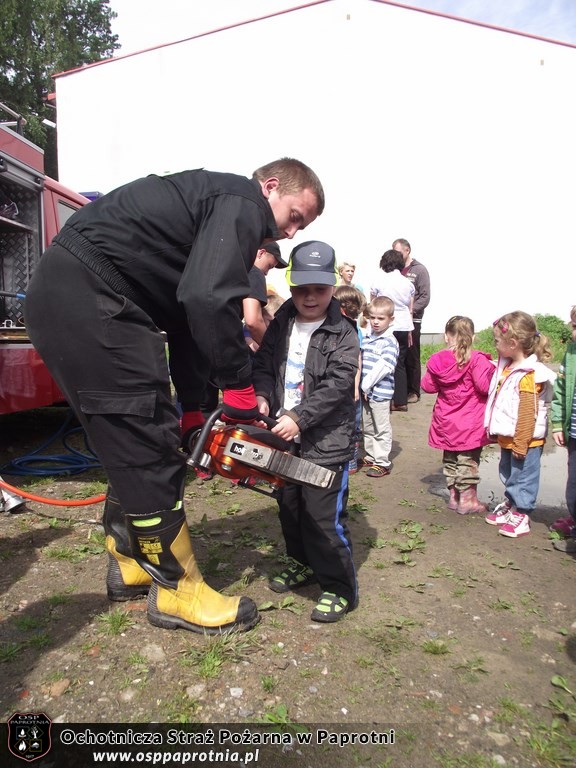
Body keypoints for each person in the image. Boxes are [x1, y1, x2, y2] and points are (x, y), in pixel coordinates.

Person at [24, 157, 324, 635]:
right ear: (271, 187)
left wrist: (192, 409)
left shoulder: (209, 215)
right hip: (90, 295)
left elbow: (188, 321)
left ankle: (129, 560)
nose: (288, 233)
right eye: (295, 217)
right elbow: (209, 302)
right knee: (145, 442)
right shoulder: (241, 203)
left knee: (143, 438)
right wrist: (240, 388)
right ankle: (178, 591)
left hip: (86, 295)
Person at [252, 241, 359, 623]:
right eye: (302, 288)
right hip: (285, 438)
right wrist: (263, 396)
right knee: (290, 508)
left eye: (319, 288)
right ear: (292, 285)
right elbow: (264, 363)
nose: (310, 297)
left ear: (332, 287)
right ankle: (302, 564)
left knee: (322, 518)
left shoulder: (344, 331)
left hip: (326, 443)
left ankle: (339, 587)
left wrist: (299, 416)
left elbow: (338, 383)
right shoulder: (282, 320)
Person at [484, 312, 556, 538]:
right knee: (509, 473)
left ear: (512, 343)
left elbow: (527, 413)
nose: (495, 345)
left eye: (497, 341)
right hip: (509, 437)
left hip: (525, 440)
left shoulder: (529, 375)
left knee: (523, 477)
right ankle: (512, 504)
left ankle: (522, 513)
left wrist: (522, 442)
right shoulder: (508, 366)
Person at [421, 316, 494, 513]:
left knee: (451, 460)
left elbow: (427, 386)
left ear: (446, 336)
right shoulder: (477, 359)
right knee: (468, 461)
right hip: (470, 423)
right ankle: (468, 501)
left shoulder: (438, 360)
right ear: (474, 336)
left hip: (445, 421)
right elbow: (485, 387)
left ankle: (454, 497)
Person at [370, 249, 414, 411]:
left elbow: (372, 304)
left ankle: (381, 398)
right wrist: (410, 329)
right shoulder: (407, 283)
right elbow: (410, 307)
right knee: (400, 362)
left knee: (380, 361)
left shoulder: (379, 281)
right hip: (403, 324)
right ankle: (400, 400)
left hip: (384, 324)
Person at [360, 296, 399, 477]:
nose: (375, 322)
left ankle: (382, 461)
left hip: (380, 393)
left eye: (381, 318)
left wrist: (366, 385)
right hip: (366, 392)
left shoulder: (390, 341)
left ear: (391, 319)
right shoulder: (367, 338)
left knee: (381, 427)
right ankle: (371, 454)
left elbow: (383, 367)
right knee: (367, 426)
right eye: (372, 317)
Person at [550, 305, 576, 553]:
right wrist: (558, 423)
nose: (573, 331)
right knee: (574, 482)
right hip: (574, 432)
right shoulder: (571, 354)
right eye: (574, 325)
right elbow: (560, 393)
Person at [392, 238, 430, 404]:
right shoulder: (394, 270)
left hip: (412, 320)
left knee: (412, 355)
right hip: (394, 321)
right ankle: (399, 390)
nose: (396, 255)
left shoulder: (419, 270)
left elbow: (425, 296)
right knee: (397, 355)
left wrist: (410, 310)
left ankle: (414, 391)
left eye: (398, 252)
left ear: (407, 251)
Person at [333, 284, 366, 474]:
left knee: (352, 423)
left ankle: (351, 460)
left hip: (350, 384)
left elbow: (357, 360)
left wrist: (354, 386)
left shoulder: (353, 330)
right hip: (337, 382)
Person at [243, 242, 287, 353]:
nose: (266, 273)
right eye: (269, 266)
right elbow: (253, 322)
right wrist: (272, 351)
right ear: (261, 253)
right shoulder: (255, 273)